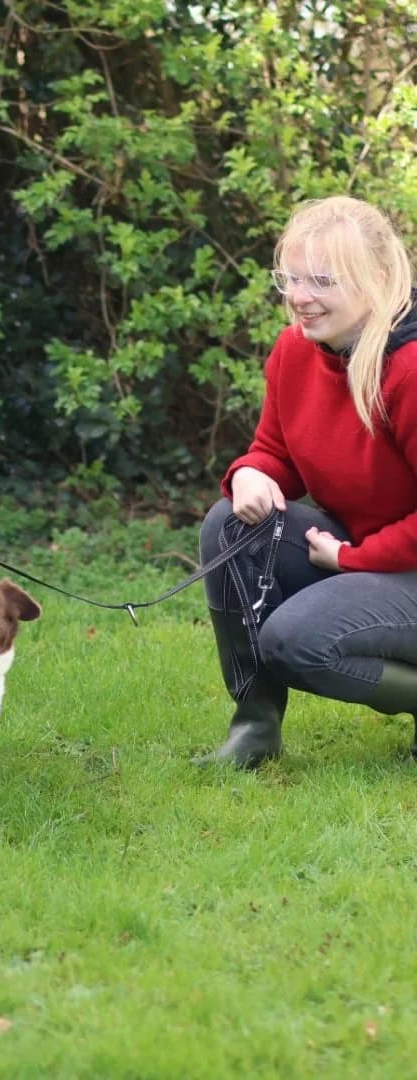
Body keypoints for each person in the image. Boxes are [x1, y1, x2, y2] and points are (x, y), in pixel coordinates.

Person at [197, 195, 417, 767]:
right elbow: (277, 451)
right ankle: (255, 726)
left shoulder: (410, 370)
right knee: (229, 525)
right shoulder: (297, 349)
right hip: (368, 551)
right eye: (290, 278)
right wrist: (250, 473)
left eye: (321, 280)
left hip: (396, 560)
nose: (298, 297)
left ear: (378, 280)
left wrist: (351, 558)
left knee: (297, 638)